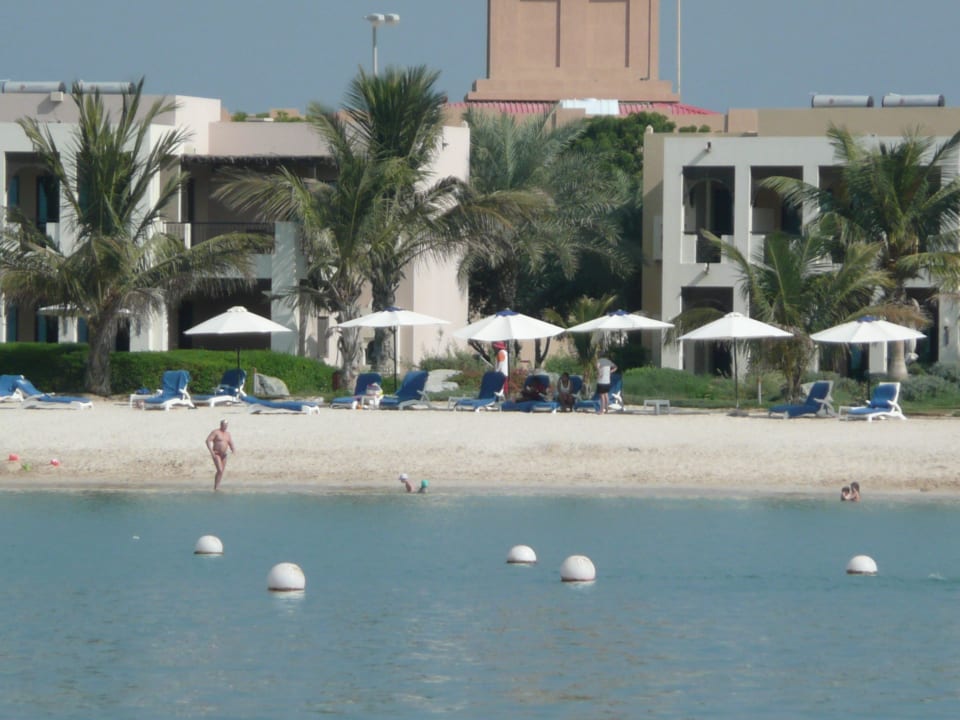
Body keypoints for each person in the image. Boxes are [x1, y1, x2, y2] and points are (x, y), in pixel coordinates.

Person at [205, 419, 235, 491]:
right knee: (220, 470)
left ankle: (217, 487)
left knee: (222, 472)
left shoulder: (228, 434)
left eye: (226, 425)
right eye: (224, 425)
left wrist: (233, 449)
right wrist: (211, 451)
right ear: (221, 425)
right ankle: (216, 487)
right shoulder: (216, 432)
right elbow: (208, 440)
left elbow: (230, 442)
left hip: (224, 455)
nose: (225, 426)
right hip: (217, 453)